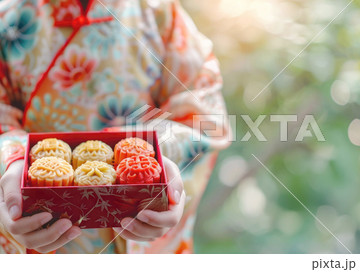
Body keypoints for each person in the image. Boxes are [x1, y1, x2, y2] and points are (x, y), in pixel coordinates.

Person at [0, 0, 230, 253]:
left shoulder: (161, 14)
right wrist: (13, 162)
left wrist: (154, 159)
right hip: (40, 226)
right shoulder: (8, 21)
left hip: (136, 225)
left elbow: (205, 116)